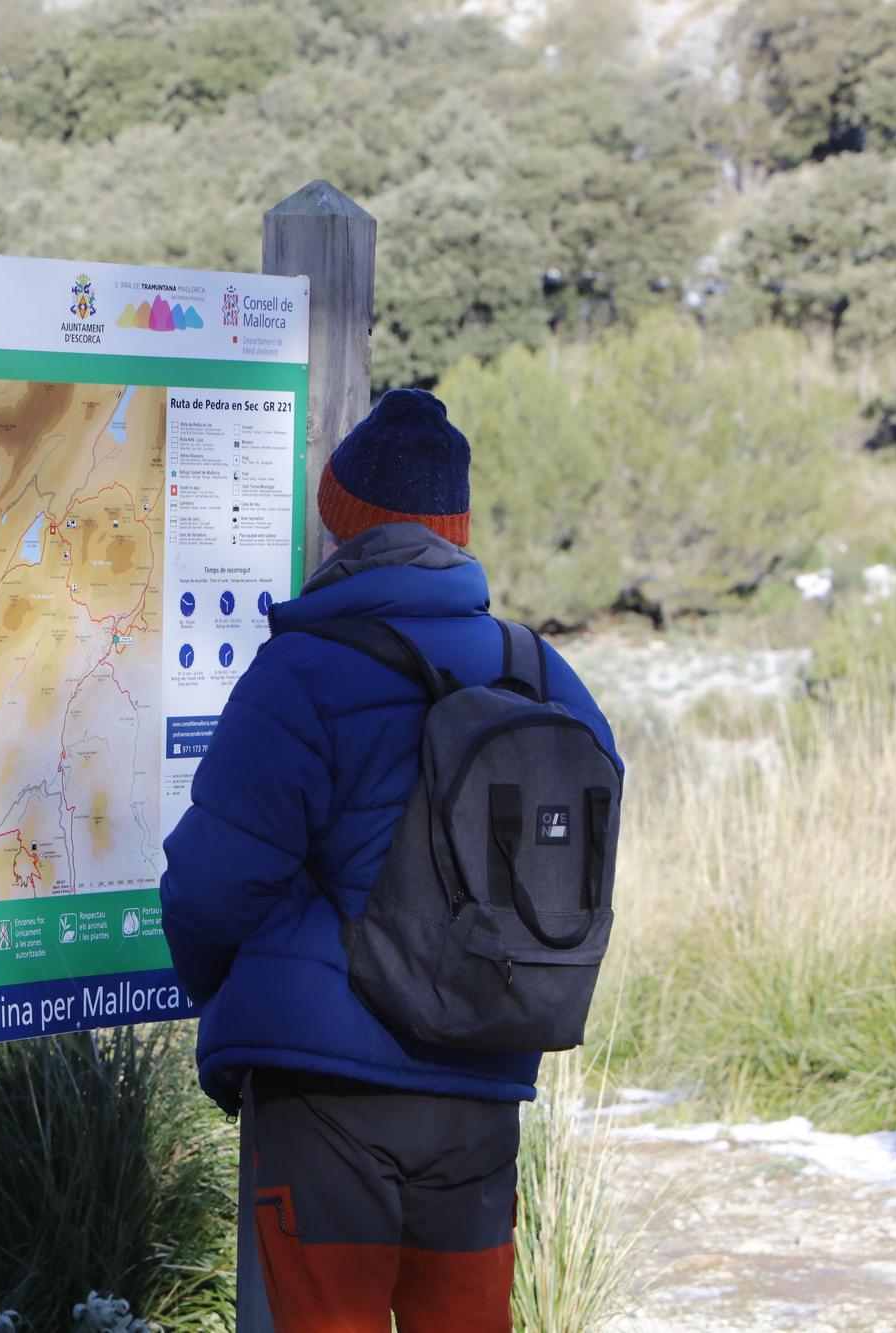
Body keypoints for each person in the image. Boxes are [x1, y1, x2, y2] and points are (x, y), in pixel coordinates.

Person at [160, 388, 620, 1332]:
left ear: (340, 523)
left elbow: (213, 886)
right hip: (485, 1075)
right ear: (454, 532)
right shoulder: (538, 671)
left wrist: (231, 1000)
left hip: (328, 1093)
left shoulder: (303, 671)